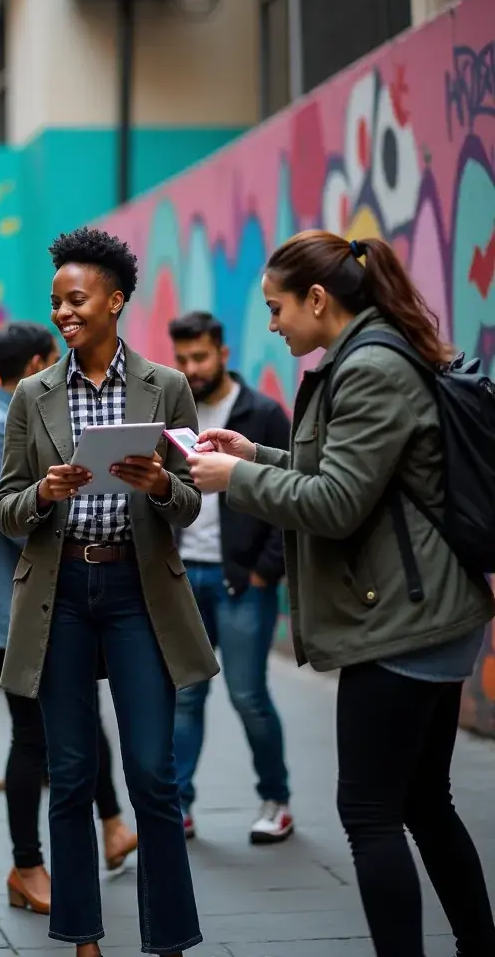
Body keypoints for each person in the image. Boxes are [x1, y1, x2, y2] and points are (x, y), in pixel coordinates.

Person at [188, 230, 495, 957]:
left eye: (276, 309)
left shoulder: (371, 368)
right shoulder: (370, 353)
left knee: (368, 810)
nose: (272, 325)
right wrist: (254, 453)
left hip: (405, 618)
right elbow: (347, 469)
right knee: (422, 800)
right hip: (420, 610)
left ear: (317, 300)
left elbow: (336, 501)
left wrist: (237, 483)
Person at [0, 227, 219, 957]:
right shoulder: (32, 395)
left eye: (77, 298)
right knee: (72, 773)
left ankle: (171, 941)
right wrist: (45, 494)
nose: (63, 312)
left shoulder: (167, 387)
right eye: (55, 301)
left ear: (116, 301)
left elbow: (190, 499)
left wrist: (160, 486)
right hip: (59, 591)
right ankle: (83, 940)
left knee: (153, 775)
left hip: (136, 591)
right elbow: (6, 508)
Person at [0, 321, 139, 918]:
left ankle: (111, 824)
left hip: (41, 601)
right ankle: (27, 865)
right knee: (33, 737)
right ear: (36, 362)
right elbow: (20, 519)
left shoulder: (12, 415)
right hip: (7, 608)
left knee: (76, 719)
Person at [167, 310, 294, 844]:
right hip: (183, 576)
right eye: (183, 359)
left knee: (247, 694)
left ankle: (276, 799)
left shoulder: (261, 413)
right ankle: (180, 806)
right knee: (186, 695)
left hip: (243, 580)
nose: (192, 368)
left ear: (222, 353)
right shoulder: (173, 411)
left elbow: (293, 488)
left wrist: (268, 570)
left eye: (200, 356)